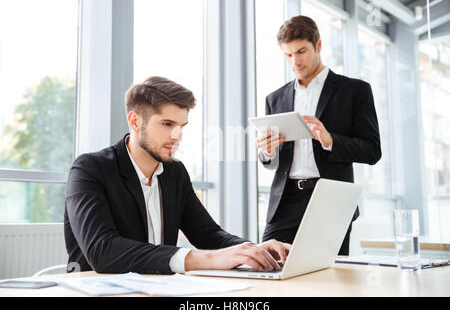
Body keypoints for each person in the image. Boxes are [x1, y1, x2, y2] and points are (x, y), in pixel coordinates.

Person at [64, 76, 290, 274]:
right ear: (135, 121)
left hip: (159, 289)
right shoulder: (89, 170)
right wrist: (203, 259)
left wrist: (252, 250)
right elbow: (103, 251)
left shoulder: (175, 172)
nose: (177, 136)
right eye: (167, 124)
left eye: (182, 126)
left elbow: (208, 235)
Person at [256, 15, 381, 255]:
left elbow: (372, 151)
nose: (295, 61)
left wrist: (330, 141)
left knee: (329, 279)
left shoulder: (355, 91)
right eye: (288, 55)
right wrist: (267, 152)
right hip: (284, 202)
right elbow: (271, 163)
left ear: (319, 46)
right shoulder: (275, 98)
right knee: (269, 268)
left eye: (301, 51)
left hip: (330, 200)